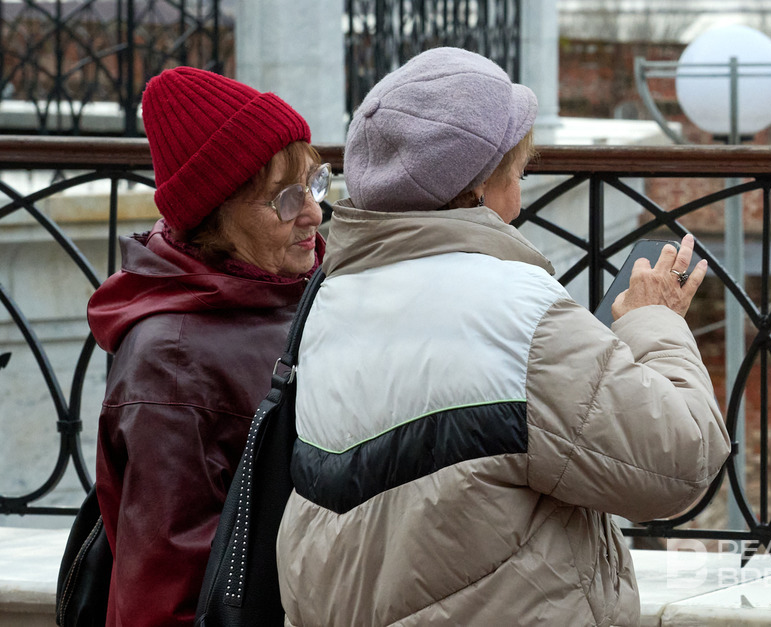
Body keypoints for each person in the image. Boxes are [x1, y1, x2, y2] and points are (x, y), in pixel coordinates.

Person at [276, 47, 730, 626]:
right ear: (479, 187)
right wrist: (655, 318)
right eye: (517, 170)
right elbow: (679, 460)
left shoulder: (331, 296)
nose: (521, 185)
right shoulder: (516, 310)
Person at [86, 66, 329, 627]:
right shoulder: (172, 364)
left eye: (316, 184)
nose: (314, 213)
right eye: (286, 199)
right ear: (216, 216)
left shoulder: (299, 291)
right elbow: (165, 595)